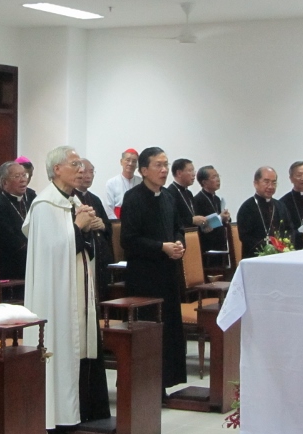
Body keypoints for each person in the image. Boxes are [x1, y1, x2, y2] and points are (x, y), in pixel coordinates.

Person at [23, 146, 110, 432]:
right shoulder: (45, 204)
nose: (81, 170)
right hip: (55, 294)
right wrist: (77, 226)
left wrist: (91, 228)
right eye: (74, 164)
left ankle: (85, 410)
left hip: (78, 285)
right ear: (57, 169)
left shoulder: (72, 200)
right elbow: (52, 251)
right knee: (62, 343)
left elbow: (79, 248)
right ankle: (58, 415)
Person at [120, 147, 187, 392]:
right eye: (158, 165)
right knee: (149, 330)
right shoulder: (134, 198)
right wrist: (161, 247)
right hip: (145, 277)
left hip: (169, 274)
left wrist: (179, 244)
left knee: (169, 330)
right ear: (144, 170)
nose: (164, 170)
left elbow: (179, 227)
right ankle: (147, 386)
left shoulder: (169, 196)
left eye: (166, 164)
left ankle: (166, 382)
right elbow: (128, 240)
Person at [0, 161, 30, 280]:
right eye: (17, 176)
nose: (23, 180)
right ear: (5, 182)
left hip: (31, 261)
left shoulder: (30, 200)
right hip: (11, 266)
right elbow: (8, 239)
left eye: (24, 175)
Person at [75, 158, 114, 299]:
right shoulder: (71, 198)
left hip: (100, 256)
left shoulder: (95, 199)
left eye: (91, 172)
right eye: (84, 172)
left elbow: (108, 226)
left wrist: (102, 225)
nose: (88, 176)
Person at [237, 166, 294, 258]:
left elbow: (290, 230)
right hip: (255, 257)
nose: (270, 186)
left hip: (281, 257)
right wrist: (267, 249)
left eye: (274, 182)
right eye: (266, 182)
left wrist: (284, 246)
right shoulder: (247, 208)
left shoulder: (280, 206)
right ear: (256, 183)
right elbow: (245, 237)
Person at [192, 165, 231, 266]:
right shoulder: (197, 200)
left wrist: (226, 218)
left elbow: (223, 221)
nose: (218, 180)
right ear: (204, 182)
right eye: (214, 177)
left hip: (221, 246)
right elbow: (201, 226)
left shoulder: (217, 199)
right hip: (208, 249)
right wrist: (220, 218)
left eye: (218, 176)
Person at [167, 158, 206, 229]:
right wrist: (191, 220)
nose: (194, 174)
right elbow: (171, 220)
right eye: (190, 171)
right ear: (179, 173)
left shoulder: (189, 193)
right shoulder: (170, 193)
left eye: (193, 171)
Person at [104, 148, 142, 219]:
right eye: (128, 160)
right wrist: (117, 224)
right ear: (121, 162)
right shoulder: (112, 182)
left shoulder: (141, 182)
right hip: (118, 221)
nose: (130, 164)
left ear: (137, 165)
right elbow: (108, 208)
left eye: (134, 161)